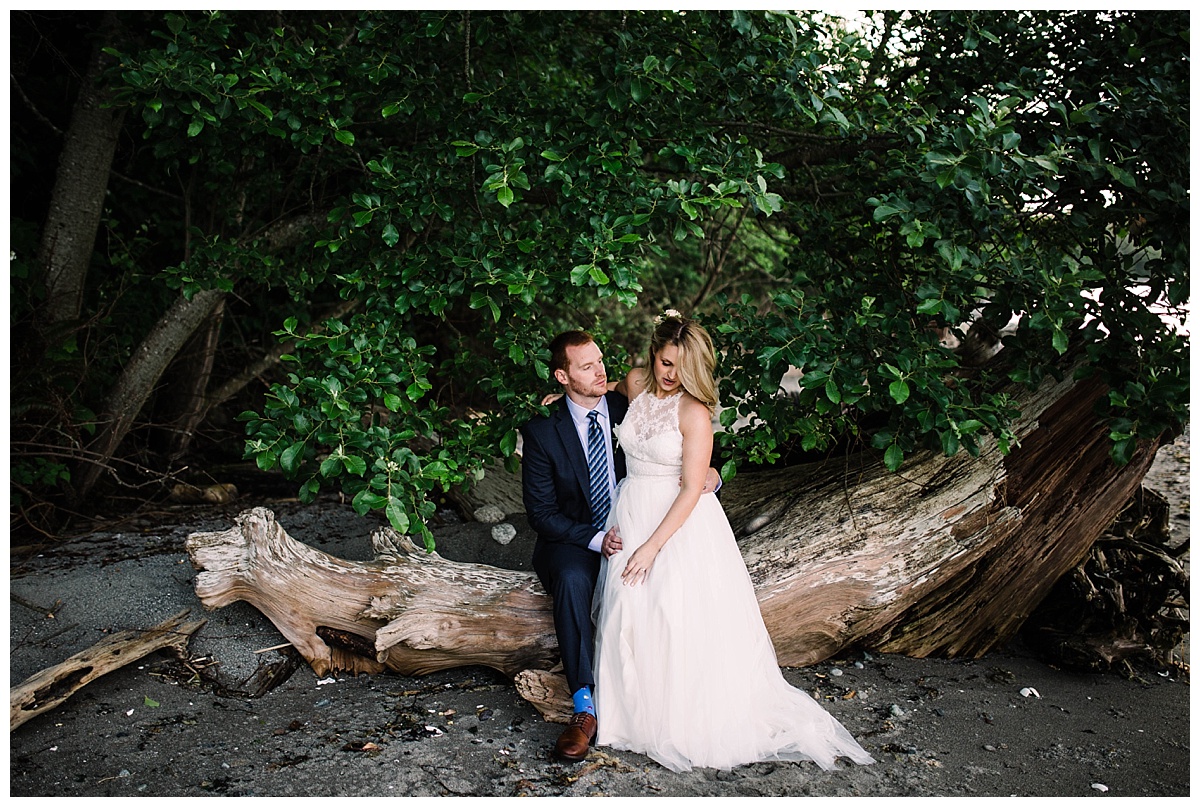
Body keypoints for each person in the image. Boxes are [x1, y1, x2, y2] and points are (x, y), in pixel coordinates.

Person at [591, 310, 875, 772]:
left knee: (672, 615)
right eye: (665, 363)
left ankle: (677, 720)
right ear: (652, 356)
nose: (670, 375)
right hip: (631, 508)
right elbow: (606, 394)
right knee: (626, 610)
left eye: (681, 368)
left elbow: (690, 487)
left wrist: (652, 546)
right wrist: (567, 396)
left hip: (677, 523)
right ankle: (630, 720)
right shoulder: (636, 380)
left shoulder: (694, 411)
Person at [520, 330, 720, 763]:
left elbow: (676, 436)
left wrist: (713, 474)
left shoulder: (625, 400)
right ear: (562, 376)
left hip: (638, 523)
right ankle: (584, 707)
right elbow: (541, 514)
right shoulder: (542, 431)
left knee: (656, 595)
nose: (600, 370)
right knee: (574, 579)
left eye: (600, 360)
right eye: (586, 366)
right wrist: (596, 539)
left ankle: (656, 698)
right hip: (577, 534)